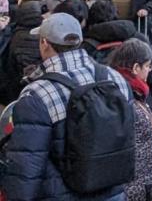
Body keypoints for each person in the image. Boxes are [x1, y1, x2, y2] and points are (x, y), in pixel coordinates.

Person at [0, 12, 132, 200]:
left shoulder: (38, 93)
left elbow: (27, 165)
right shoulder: (114, 78)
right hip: (112, 192)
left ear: (44, 43)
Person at [106, 39, 152, 201]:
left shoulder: (118, 89)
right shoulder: (127, 98)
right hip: (134, 188)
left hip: (135, 184)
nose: (149, 72)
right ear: (135, 68)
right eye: (147, 66)